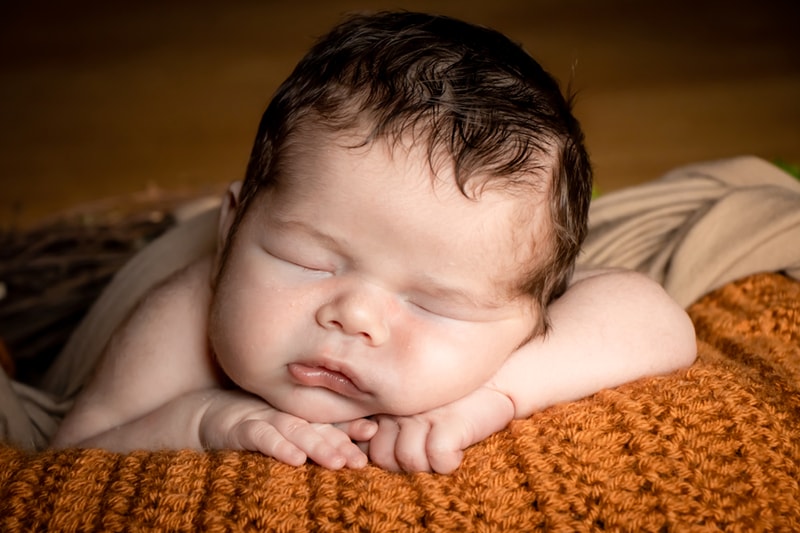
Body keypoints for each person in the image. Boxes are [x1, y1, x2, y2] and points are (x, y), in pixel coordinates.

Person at [52, 11, 696, 474]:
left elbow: (661, 321)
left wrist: (494, 395)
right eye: (305, 261)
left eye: (434, 304)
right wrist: (197, 421)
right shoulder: (180, 322)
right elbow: (65, 461)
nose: (354, 317)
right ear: (231, 229)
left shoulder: (507, 296)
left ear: (532, 317)